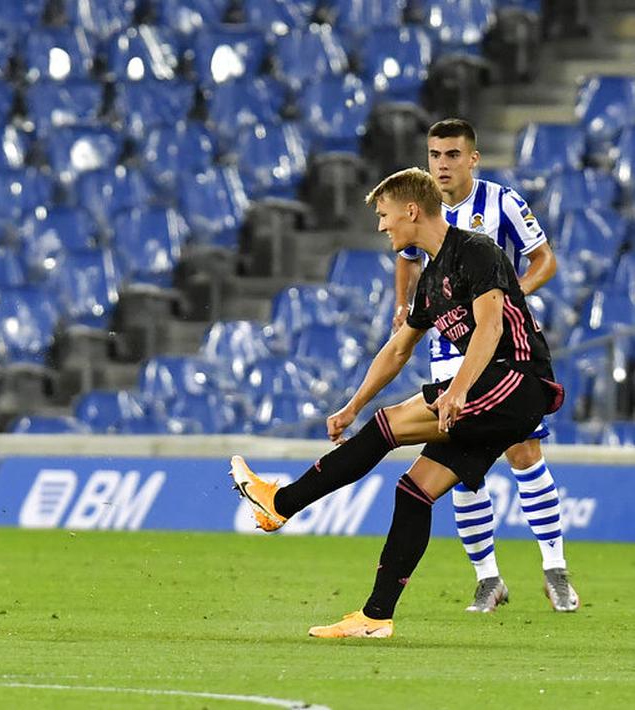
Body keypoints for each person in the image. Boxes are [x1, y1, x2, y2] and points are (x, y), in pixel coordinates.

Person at [230, 167, 565, 639]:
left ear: (411, 210)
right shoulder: (430, 281)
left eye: (385, 215)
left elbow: (490, 328)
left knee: (388, 426)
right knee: (414, 491)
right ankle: (375, 617)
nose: (381, 226)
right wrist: (352, 406)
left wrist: (458, 390)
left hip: (516, 381)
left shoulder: (476, 250)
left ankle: (279, 503)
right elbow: (398, 349)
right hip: (492, 394)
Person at [392, 119, 578, 613]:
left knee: (523, 451)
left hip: (504, 349)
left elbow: (544, 260)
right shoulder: (422, 209)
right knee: (460, 466)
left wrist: (511, 296)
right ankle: (487, 579)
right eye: (434, 155)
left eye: (452, 155)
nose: (442, 164)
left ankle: (555, 569)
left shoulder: (503, 203)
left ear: (473, 158)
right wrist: (403, 308)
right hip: (450, 350)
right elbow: (408, 258)